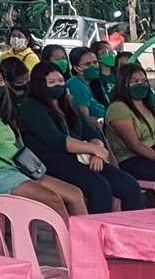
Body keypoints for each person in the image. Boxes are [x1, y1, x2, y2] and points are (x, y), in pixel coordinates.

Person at [0, 61, 87, 218]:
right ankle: (73, 242)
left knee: (75, 194)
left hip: (18, 168)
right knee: (53, 199)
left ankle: (85, 240)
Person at [18, 64, 145, 214]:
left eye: (60, 81)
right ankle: (96, 233)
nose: (58, 85)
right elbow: (57, 140)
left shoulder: (68, 105)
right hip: (52, 161)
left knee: (129, 185)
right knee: (99, 188)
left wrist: (96, 152)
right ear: (40, 85)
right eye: (51, 82)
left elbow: (93, 133)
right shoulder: (32, 108)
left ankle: (132, 230)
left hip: (83, 157)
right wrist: (95, 149)